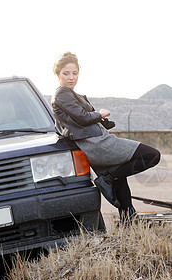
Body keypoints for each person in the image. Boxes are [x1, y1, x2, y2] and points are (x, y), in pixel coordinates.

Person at [51, 52, 160, 222]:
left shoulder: (71, 94)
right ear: (57, 74)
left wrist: (103, 121)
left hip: (95, 138)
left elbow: (79, 120)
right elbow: (81, 117)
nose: (71, 77)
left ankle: (128, 219)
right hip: (95, 142)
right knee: (152, 155)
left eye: (75, 73)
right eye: (66, 73)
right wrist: (99, 114)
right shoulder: (62, 94)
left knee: (121, 178)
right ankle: (108, 178)